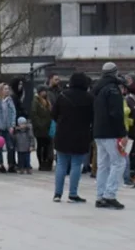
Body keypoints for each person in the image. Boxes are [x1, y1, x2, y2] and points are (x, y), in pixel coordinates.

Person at [52, 71, 94, 203]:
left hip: (63, 133)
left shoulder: (63, 95)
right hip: (81, 134)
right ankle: (73, 194)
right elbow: (93, 117)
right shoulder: (89, 97)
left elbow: (53, 114)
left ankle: (57, 194)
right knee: (76, 164)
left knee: (61, 164)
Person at [93, 63, 129, 210]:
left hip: (98, 132)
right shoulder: (113, 89)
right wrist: (123, 133)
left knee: (103, 165)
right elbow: (116, 113)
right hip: (111, 132)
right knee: (119, 162)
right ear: (115, 73)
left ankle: (100, 196)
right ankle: (110, 195)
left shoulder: (97, 89)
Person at [0, 85, 17, 172]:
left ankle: (11, 165)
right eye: (5, 89)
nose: (7, 91)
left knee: (11, 147)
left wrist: (12, 125)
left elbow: (13, 112)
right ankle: (1, 164)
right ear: (1, 90)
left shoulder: (10, 100)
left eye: (8, 89)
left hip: (8, 126)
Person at [32, 87, 54, 172]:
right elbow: (34, 114)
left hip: (48, 127)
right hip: (40, 128)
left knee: (46, 146)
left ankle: (46, 162)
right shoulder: (36, 101)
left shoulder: (48, 101)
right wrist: (40, 124)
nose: (45, 93)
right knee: (40, 146)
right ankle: (41, 163)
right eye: (43, 91)